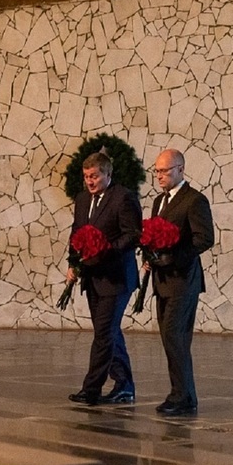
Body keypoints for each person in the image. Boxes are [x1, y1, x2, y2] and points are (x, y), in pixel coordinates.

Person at [67, 151, 142, 406]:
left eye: (94, 176)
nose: (90, 181)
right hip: (92, 276)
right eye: (86, 177)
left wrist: (106, 249)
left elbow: (132, 235)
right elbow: (76, 233)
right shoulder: (81, 199)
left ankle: (92, 389)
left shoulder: (123, 198)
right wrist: (73, 264)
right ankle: (125, 385)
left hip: (116, 277)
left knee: (104, 334)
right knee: (107, 332)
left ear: (108, 175)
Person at [145, 149, 214, 416]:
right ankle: (185, 395)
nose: (159, 176)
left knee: (175, 335)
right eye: (157, 171)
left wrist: (172, 257)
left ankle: (181, 396)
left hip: (183, 280)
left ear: (181, 169)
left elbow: (204, 238)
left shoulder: (194, 200)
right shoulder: (158, 202)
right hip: (162, 279)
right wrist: (151, 254)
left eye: (165, 171)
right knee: (171, 337)